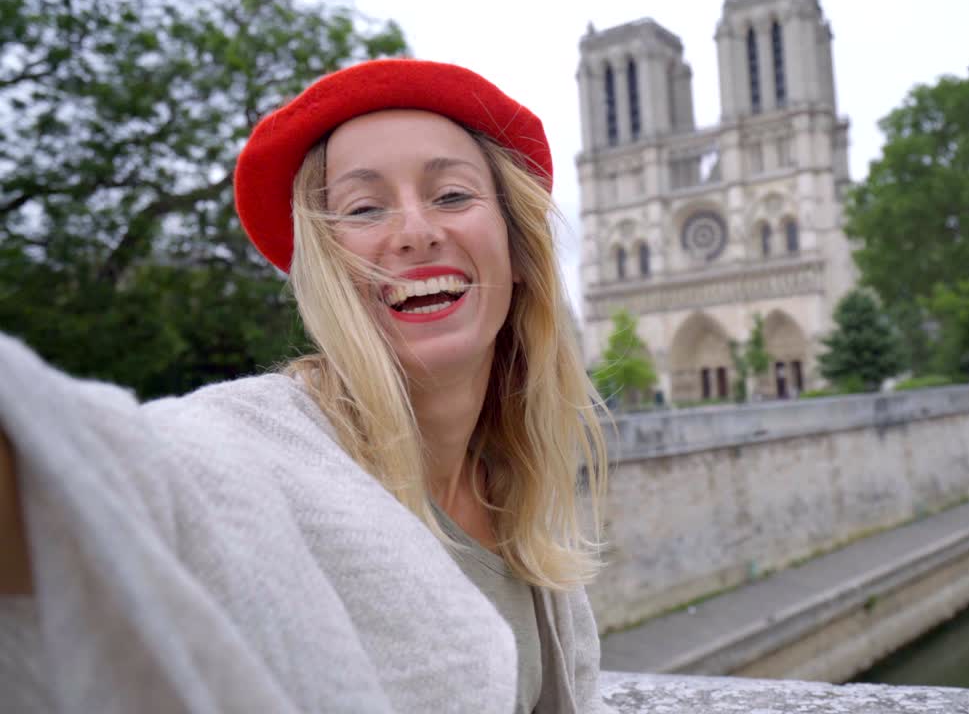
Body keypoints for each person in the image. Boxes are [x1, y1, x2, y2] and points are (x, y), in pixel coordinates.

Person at [0, 59, 614, 713]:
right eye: (364, 208)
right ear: (324, 272)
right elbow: (91, 477)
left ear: (519, 252)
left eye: (453, 195)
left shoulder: (510, 496)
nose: (415, 232)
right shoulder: (247, 447)